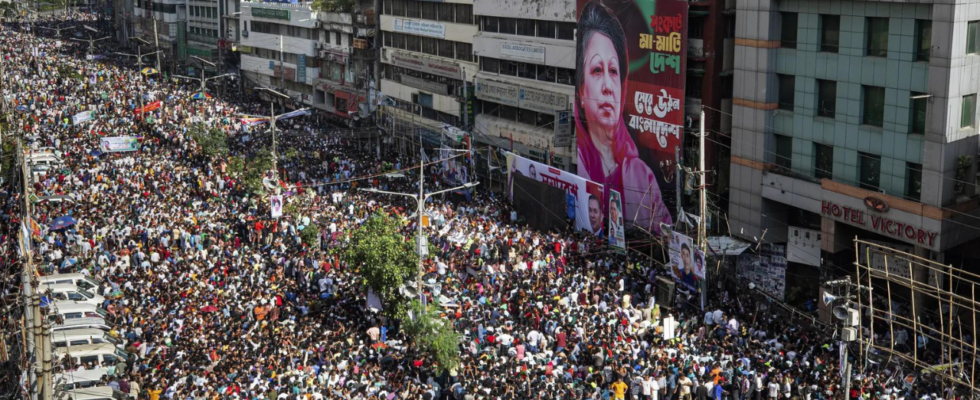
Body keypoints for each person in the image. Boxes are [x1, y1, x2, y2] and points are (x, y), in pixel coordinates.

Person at [574, 0, 672, 234]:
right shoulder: (578, 162)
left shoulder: (641, 176)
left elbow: (666, 236)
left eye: (614, 71)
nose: (608, 86)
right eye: (597, 70)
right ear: (581, 91)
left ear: (623, 86)